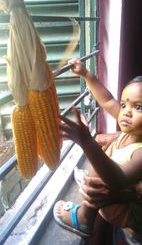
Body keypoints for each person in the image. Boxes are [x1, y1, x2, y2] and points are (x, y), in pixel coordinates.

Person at [53, 58, 142, 243]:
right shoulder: (129, 128)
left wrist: (86, 142)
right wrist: (86, 74)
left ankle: (85, 218)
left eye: (138, 107)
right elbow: (108, 100)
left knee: (103, 171)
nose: (126, 112)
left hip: (131, 217)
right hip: (125, 212)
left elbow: (118, 179)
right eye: (124, 104)